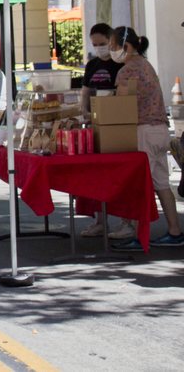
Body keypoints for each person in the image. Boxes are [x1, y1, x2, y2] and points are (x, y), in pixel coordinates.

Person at [108, 27, 184, 249]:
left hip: (143, 131)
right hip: (160, 129)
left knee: (140, 185)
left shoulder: (127, 70)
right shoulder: (146, 65)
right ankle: (175, 231)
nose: (111, 51)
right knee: (161, 183)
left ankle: (137, 235)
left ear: (126, 46)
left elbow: (120, 104)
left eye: (113, 47)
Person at [79, 23, 127, 238]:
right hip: (95, 123)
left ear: (111, 41)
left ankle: (126, 222)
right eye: (95, 44)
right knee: (97, 175)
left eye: (102, 43)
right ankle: (100, 221)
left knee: (120, 175)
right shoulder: (92, 64)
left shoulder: (121, 65)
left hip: (117, 124)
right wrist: (84, 111)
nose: (99, 48)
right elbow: (86, 91)